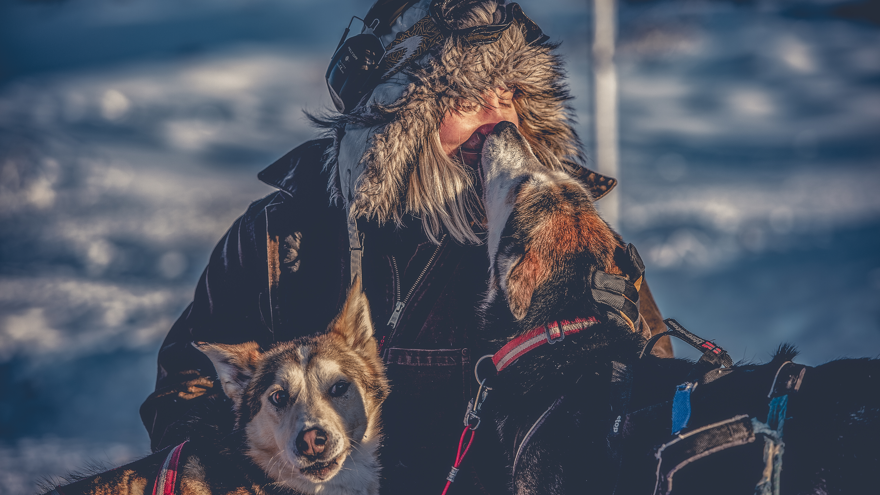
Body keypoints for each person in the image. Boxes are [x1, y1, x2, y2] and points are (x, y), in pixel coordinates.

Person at [140, 0, 673, 492]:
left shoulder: (558, 242)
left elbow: (643, 404)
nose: (497, 123)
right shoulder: (281, 235)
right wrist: (244, 472)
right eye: (466, 101)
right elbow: (188, 385)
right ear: (396, 118)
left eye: (508, 96)